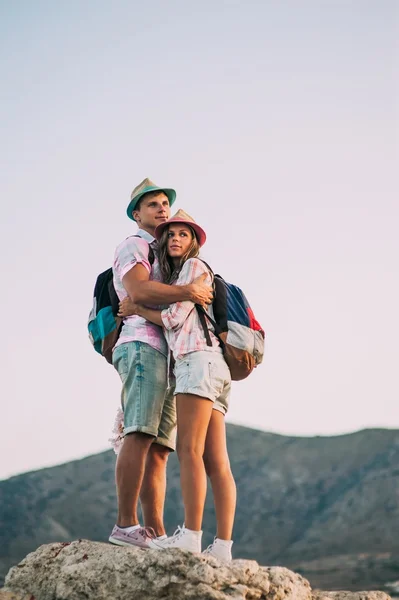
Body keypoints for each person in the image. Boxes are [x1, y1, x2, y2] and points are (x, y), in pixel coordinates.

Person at [118, 209, 236, 561]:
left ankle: (191, 535)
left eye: (183, 235)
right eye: (170, 235)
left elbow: (172, 318)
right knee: (216, 460)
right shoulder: (192, 274)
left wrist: (136, 308)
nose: (174, 239)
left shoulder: (193, 270)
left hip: (196, 362)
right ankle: (223, 547)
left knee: (189, 450)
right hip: (216, 368)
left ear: (194, 241)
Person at [108, 180, 213, 549]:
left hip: (169, 354)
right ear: (137, 214)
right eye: (152, 204)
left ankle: (154, 533)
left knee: (159, 449)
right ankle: (125, 525)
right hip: (141, 344)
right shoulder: (134, 245)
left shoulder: (167, 254)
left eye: (165, 203)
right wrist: (188, 291)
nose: (162, 209)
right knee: (138, 432)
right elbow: (138, 291)